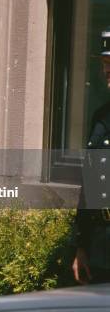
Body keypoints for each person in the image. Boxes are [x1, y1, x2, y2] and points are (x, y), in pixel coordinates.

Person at [73, 28, 110, 284]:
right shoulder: (101, 117)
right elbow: (90, 186)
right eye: (106, 63)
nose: (107, 70)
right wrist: (81, 244)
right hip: (100, 244)